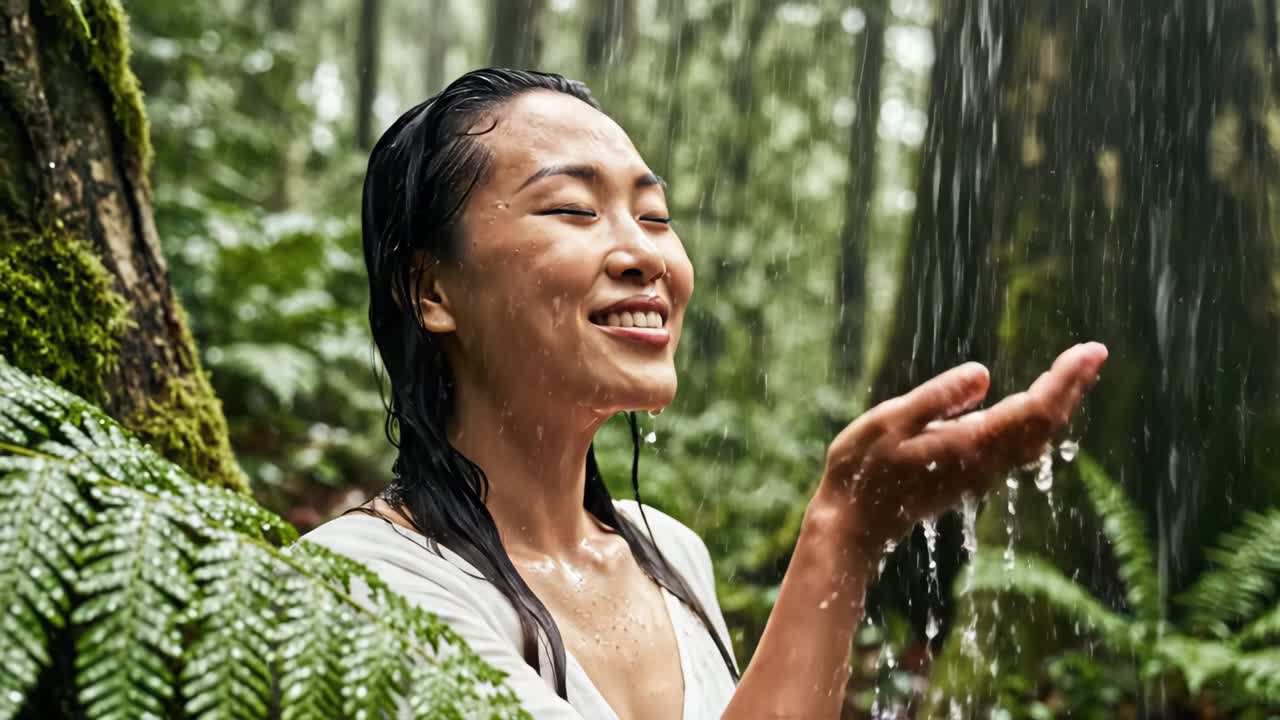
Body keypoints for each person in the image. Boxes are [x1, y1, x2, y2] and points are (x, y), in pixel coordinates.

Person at [298, 67, 1108, 720]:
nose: (644, 255)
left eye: (654, 217)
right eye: (573, 209)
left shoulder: (670, 554)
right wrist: (842, 534)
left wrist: (850, 536)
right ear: (431, 290)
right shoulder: (359, 582)